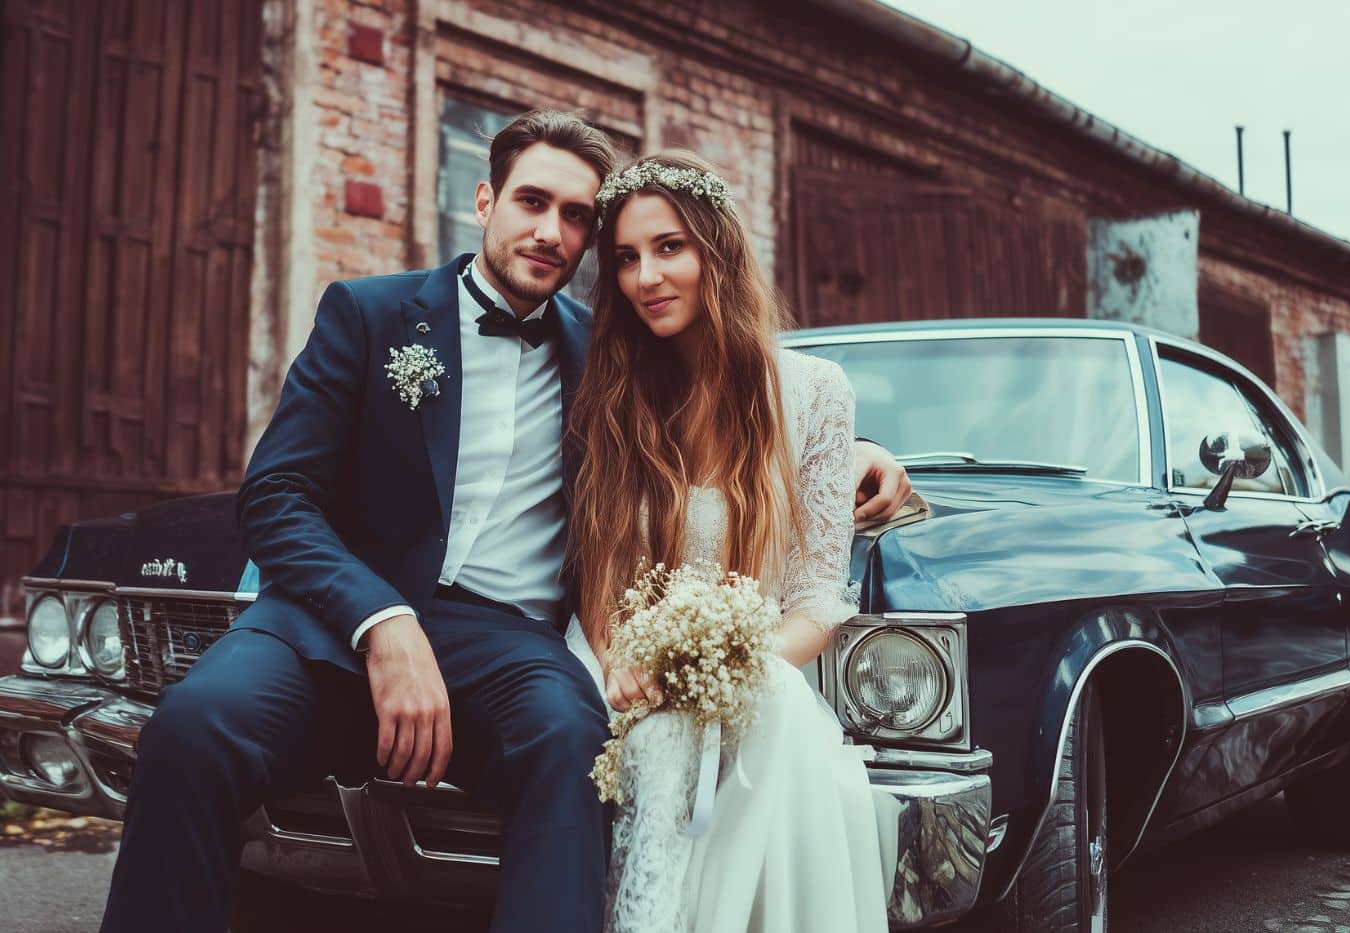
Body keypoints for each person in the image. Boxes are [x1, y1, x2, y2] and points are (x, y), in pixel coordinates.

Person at [99, 111, 909, 933]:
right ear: (484, 200)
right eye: (532, 201)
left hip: (506, 645)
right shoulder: (367, 313)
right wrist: (383, 621)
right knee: (191, 731)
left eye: (575, 217)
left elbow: (737, 394)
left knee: (570, 747)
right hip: (329, 627)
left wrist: (862, 450)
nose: (549, 231)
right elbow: (274, 497)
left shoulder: (608, 353)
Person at [566, 151, 889, 933]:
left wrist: (714, 672)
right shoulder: (614, 396)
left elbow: (816, 598)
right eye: (627, 259)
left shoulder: (814, 393)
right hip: (617, 658)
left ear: (719, 248)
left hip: (756, 666)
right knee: (660, 735)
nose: (647, 277)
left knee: (764, 716)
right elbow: (601, 575)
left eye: (670, 247)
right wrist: (625, 663)